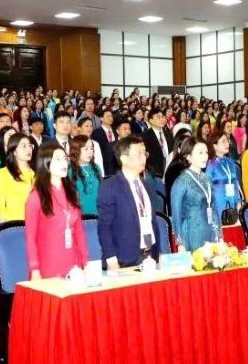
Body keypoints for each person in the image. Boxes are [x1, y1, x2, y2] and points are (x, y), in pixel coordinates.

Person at [25, 143, 90, 280]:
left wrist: (86, 262)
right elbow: (30, 237)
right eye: (58, 159)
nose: (64, 163)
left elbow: (79, 232)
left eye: (65, 158)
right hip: (48, 263)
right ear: (46, 163)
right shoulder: (36, 197)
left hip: (73, 262)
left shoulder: (72, 193)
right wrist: (35, 268)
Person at [97, 136, 161, 269]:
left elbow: (151, 220)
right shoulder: (110, 186)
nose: (144, 158)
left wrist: (157, 251)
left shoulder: (145, 184)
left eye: (145, 153)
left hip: (150, 255)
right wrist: (111, 260)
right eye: (139, 154)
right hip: (124, 259)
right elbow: (104, 227)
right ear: (123, 158)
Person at [170, 137, 219, 251]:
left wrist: (219, 236)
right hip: (192, 233)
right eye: (200, 153)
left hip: (210, 230)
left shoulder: (207, 179)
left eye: (206, 152)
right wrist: (180, 244)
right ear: (188, 157)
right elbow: (176, 215)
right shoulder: (181, 182)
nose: (205, 156)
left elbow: (214, 209)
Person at [0, 132, 35, 222]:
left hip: (35, 223)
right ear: (14, 151)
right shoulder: (3, 173)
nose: (28, 149)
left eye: (30, 146)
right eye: (23, 146)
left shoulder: (36, 172)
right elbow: (0, 208)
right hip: (13, 224)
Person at [206, 131, 243, 219]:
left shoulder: (230, 161)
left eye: (227, 141)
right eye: (223, 141)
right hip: (218, 203)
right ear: (215, 146)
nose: (227, 144)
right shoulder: (211, 164)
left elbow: (235, 183)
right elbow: (207, 187)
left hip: (232, 201)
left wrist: (238, 202)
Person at [68, 135, 101, 214]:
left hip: (98, 214)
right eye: (86, 149)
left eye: (91, 149)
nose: (90, 152)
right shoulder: (69, 170)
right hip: (80, 216)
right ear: (76, 150)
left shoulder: (96, 167)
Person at [141, 108, 173, 179]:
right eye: (158, 117)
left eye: (162, 117)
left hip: (170, 171)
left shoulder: (169, 134)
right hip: (155, 174)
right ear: (151, 120)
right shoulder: (145, 136)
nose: (162, 119)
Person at [91, 108, 118, 174]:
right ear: (101, 119)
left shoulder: (116, 131)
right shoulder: (96, 133)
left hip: (117, 164)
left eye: (111, 116)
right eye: (108, 116)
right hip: (105, 164)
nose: (110, 118)